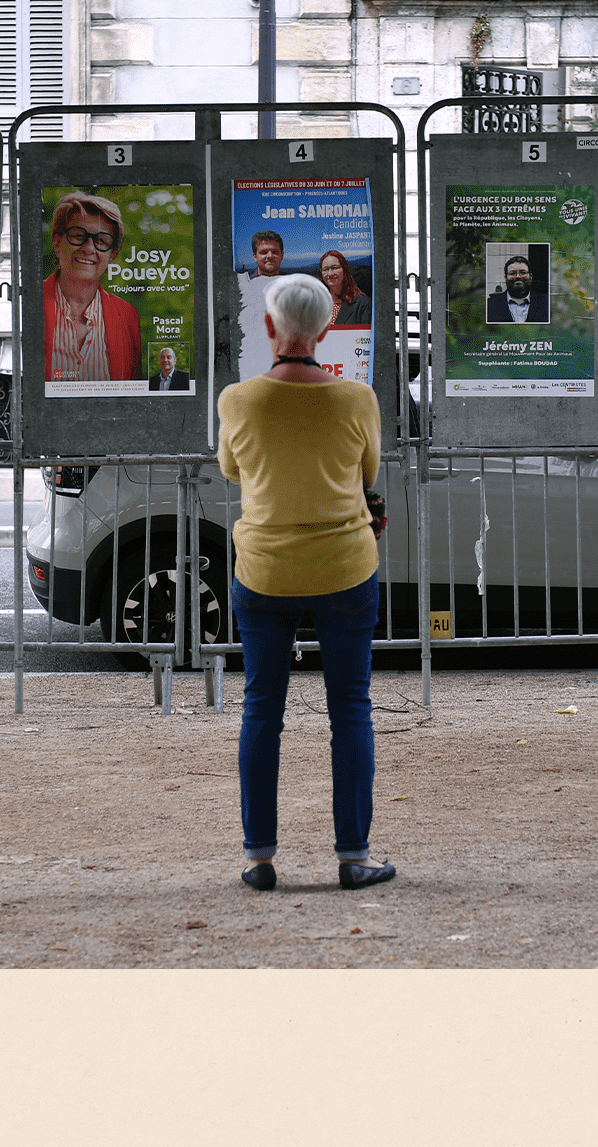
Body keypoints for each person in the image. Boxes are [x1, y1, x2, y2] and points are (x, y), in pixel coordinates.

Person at [215, 273, 393, 893]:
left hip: (263, 570)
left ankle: (260, 857)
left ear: (269, 327)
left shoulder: (237, 401)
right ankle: (354, 856)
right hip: (346, 565)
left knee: (262, 710)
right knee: (350, 709)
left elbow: (234, 469)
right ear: (325, 329)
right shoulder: (356, 399)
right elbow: (366, 469)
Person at [43, 192, 142, 382]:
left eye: (101, 240)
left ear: (111, 255)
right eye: (78, 235)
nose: (89, 248)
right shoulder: (29, 303)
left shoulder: (128, 316)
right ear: (57, 242)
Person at [234, 230, 286, 380]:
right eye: (264, 252)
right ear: (254, 256)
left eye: (274, 252)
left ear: (282, 254)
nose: (270, 256)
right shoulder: (239, 288)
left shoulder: (294, 288)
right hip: (249, 368)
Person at [486, 253, 549, 324]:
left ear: (530, 277)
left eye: (523, 272)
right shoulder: (489, 305)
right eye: (512, 273)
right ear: (505, 278)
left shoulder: (547, 303)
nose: (518, 276)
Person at [318, 249, 372, 327]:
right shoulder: (318, 303)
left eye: (334, 267)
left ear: (344, 270)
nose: (330, 273)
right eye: (325, 269)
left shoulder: (363, 303)